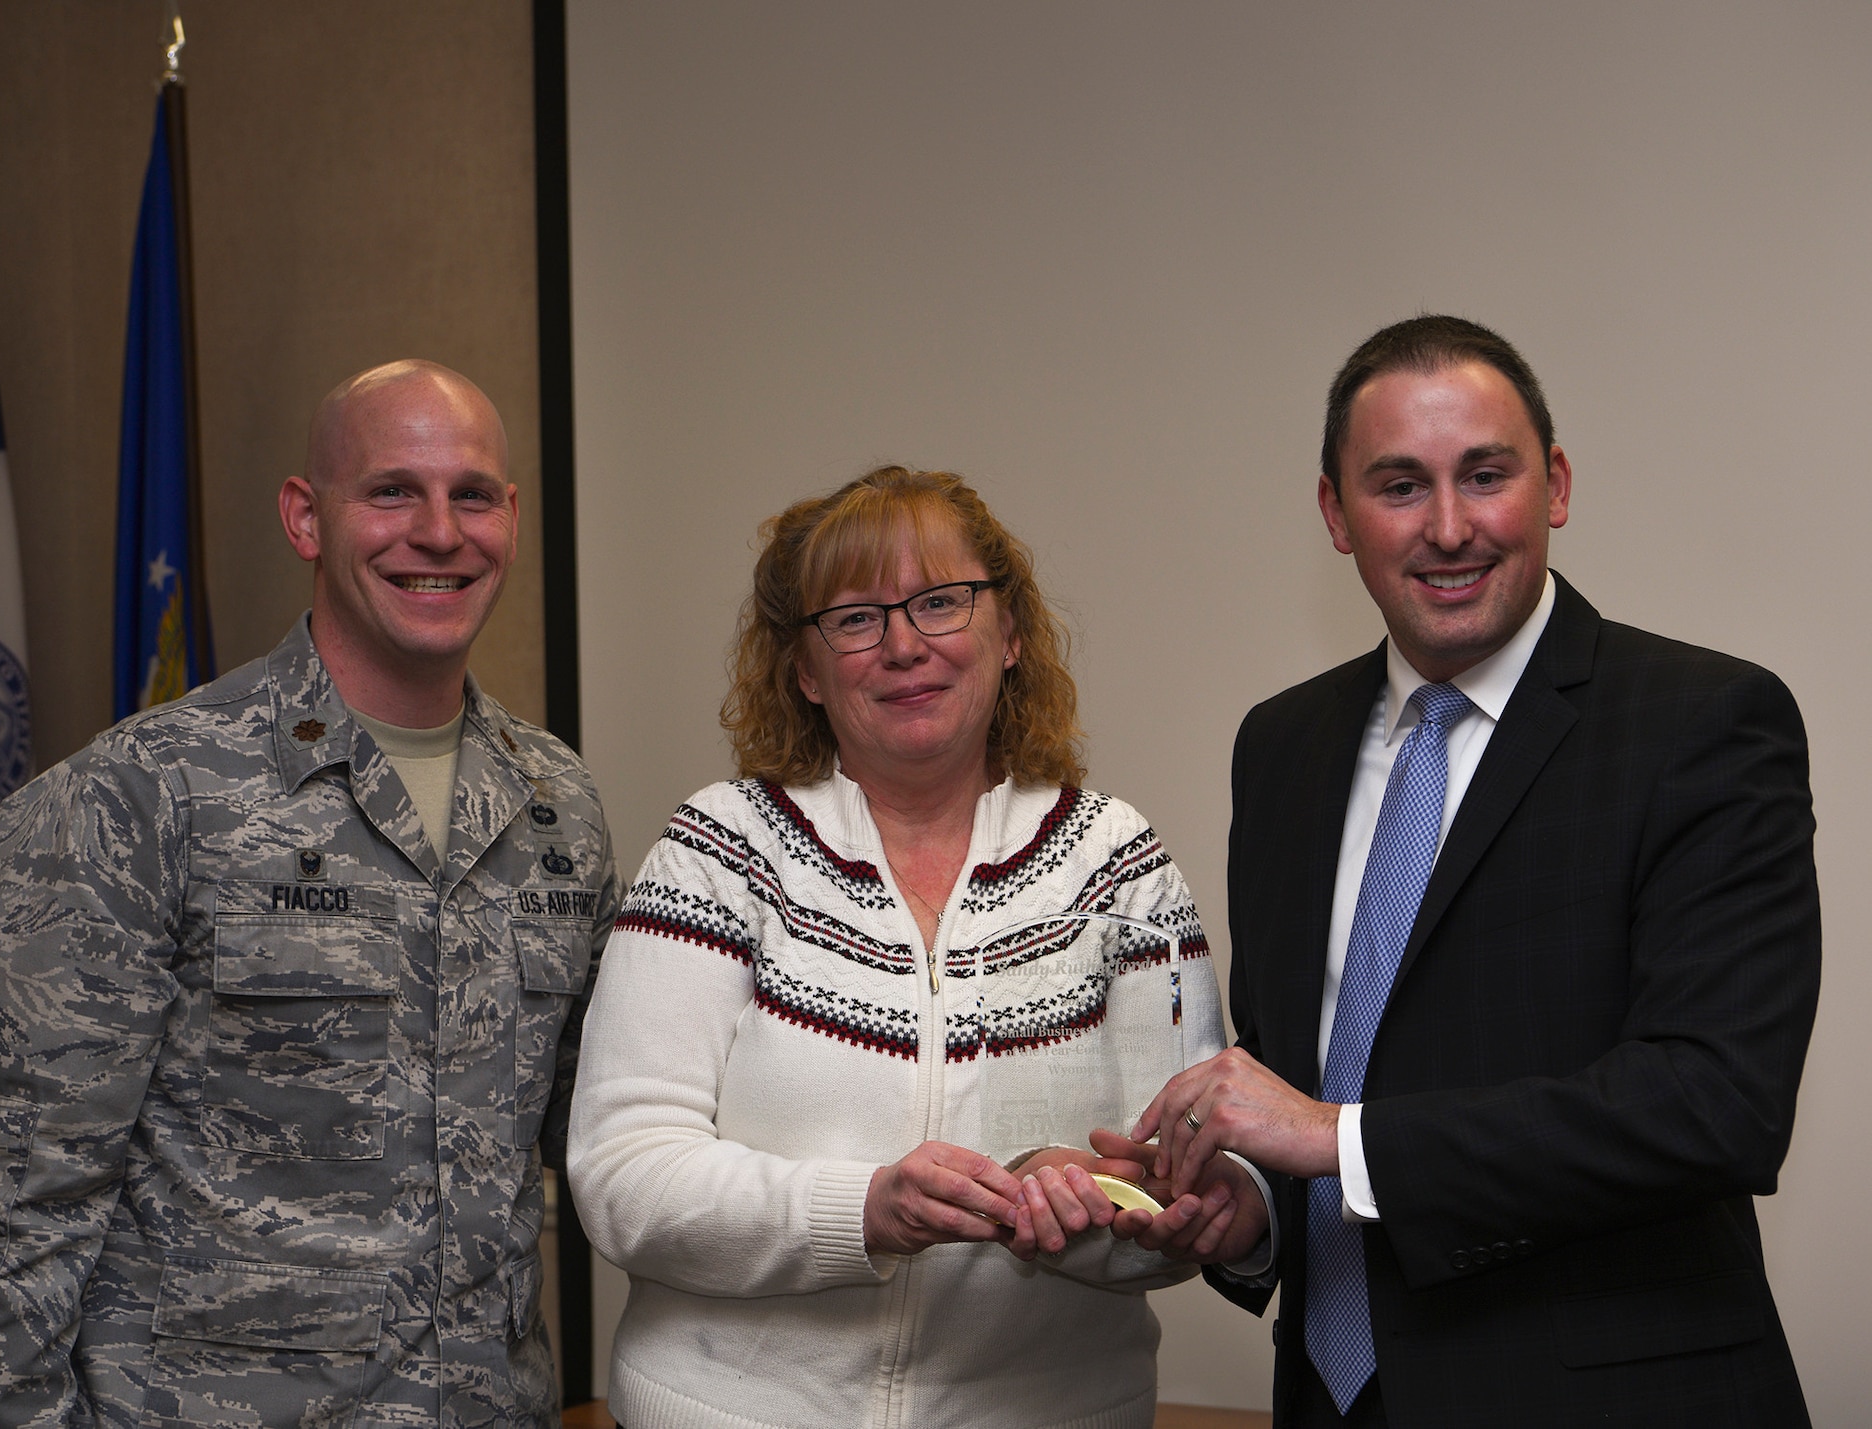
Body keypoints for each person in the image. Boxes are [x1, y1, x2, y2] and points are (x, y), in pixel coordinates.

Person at [1128, 316, 1819, 1427]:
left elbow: (1713, 1104)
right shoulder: (1281, 745)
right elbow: (1298, 1072)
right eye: (1399, 485)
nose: (1448, 528)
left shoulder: (1703, 722)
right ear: (1334, 514)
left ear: (1555, 485)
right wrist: (1245, 1207)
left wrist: (1334, 1139)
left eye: (1485, 475)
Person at [0, 360, 616, 1427]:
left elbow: (609, 1130)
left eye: (472, 495)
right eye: (391, 491)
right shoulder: (141, 794)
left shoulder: (557, 806)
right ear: (305, 517)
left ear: (511, 519)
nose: (439, 532)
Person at [567, 466, 1267, 1429]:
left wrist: (1098, 1207)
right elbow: (623, 1176)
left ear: (1010, 634)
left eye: (941, 602)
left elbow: (1180, 1193)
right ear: (805, 671)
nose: (903, 645)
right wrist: (865, 1208)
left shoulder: (1120, 867)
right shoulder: (719, 852)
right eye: (855, 618)